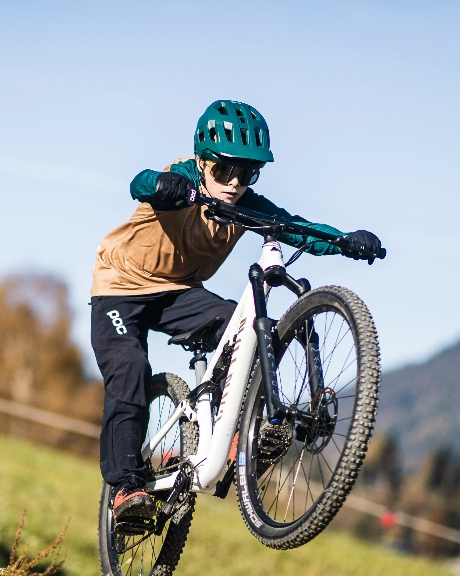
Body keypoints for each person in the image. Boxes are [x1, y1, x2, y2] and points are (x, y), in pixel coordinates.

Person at [91, 100, 383, 528]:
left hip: (180, 294)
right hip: (121, 289)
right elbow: (142, 182)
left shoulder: (246, 203)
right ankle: (125, 487)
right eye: (223, 171)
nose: (233, 183)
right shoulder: (183, 179)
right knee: (130, 365)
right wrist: (170, 189)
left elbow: (295, 225)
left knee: (240, 327)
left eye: (246, 174)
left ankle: (236, 437)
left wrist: (343, 241)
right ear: (202, 160)